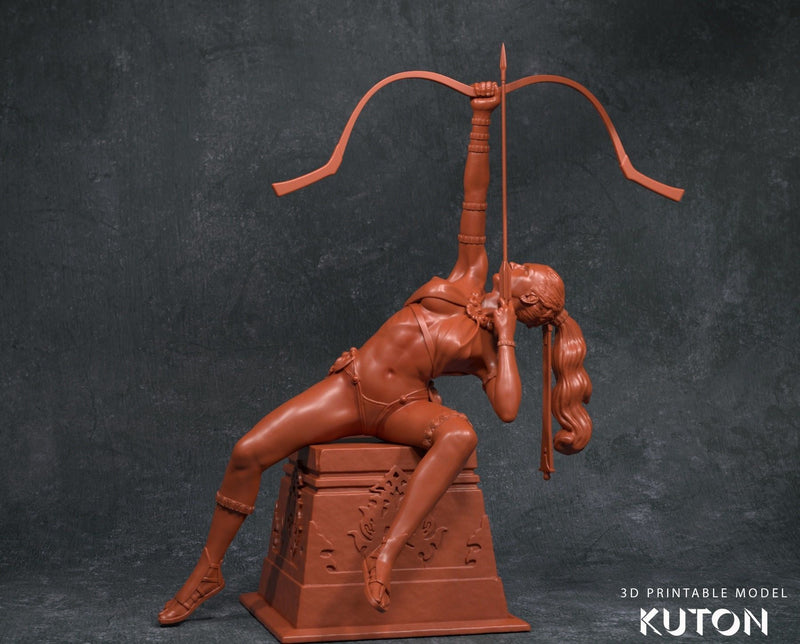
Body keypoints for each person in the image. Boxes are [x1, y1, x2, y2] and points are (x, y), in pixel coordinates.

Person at [158, 82, 592, 625]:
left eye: (526, 271)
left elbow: (507, 409)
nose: (517, 263)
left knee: (461, 433)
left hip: (398, 411)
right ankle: (208, 570)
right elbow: (475, 195)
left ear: (526, 300)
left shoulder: (488, 350)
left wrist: (505, 337)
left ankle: (384, 554)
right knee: (248, 450)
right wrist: (481, 118)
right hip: (351, 387)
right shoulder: (468, 273)